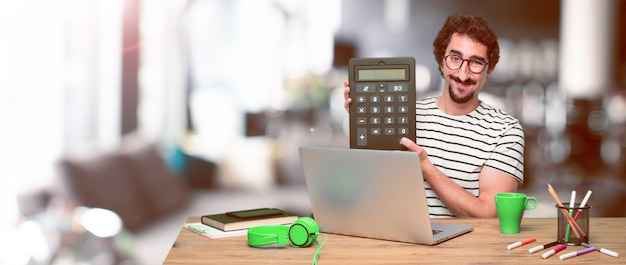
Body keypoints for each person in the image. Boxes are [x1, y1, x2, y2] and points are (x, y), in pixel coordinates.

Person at [343, 13, 524, 218]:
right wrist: (363, 119)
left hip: (466, 249)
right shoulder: (408, 115)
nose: (463, 74)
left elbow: (489, 215)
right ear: (441, 61)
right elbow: (370, 188)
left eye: (476, 62)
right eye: (455, 58)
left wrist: (425, 167)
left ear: (489, 68)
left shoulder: (505, 131)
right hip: (401, 242)